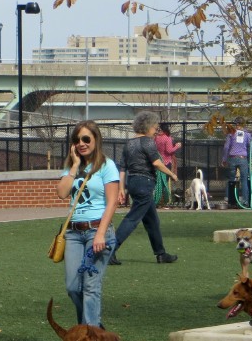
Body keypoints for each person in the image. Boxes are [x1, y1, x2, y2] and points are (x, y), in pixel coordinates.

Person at [55, 121, 120, 327]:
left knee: (91, 287)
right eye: (77, 140)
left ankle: (90, 335)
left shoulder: (107, 166)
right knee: (73, 287)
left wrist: (100, 234)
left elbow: (112, 203)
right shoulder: (72, 166)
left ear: (96, 140)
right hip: (73, 234)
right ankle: (91, 328)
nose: (81, 144)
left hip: (97, 231)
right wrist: (74, 166)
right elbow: (62, 193)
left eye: (86, 139)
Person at [110, 111, 179, 265]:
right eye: (155, 127)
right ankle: (110, 250)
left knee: (152, 220)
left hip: (133, 182)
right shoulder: (148, 142)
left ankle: (161, 254)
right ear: (147, 127)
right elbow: (156, 163)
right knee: (132, 218)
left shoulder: (129, 144)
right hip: (144, 183)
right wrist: (172, 174)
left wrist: (122, 188)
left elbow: (122, 168)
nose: (156, 130)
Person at [222, 116, 252, 207]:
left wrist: (224, 159)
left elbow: (226, 147)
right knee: (244, 180)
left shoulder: (231, 134)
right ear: (243, 124)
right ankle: (245, 201)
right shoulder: (247, 135)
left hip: (232, 158)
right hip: (243, 159)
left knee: (231, 180)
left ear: (235, 124)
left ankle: (229, 200)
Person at [153, 122, 182, 207]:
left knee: (157, 183)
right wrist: (177, 146)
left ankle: (157, 200)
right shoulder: (167, 138)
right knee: (164, 183)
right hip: (166, 163)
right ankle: (162, 202)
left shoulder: (156, 138)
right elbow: (169, 150)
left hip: (158, 162)